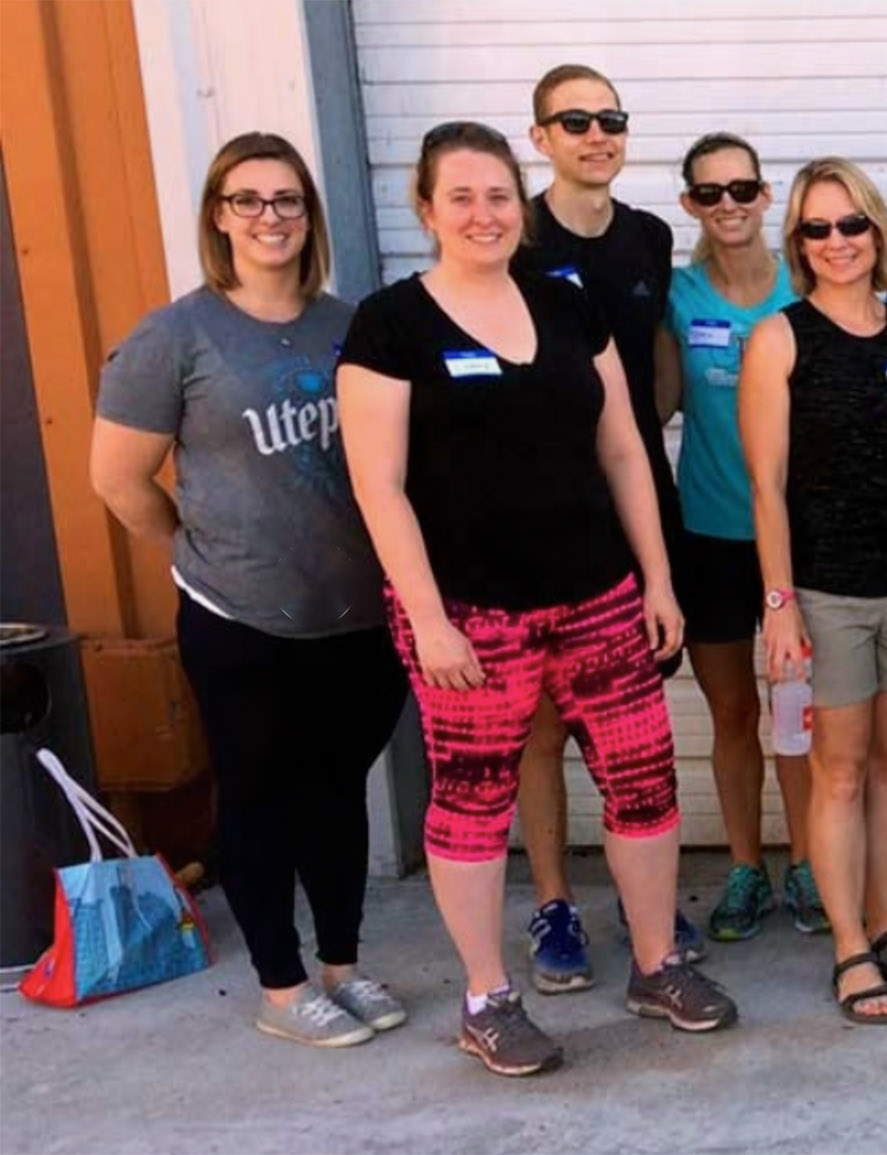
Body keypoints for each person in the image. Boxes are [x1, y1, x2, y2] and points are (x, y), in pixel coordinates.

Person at [339, 121, 734, 1077]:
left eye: (499, 196)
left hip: (598, 594)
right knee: (474, 801)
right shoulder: (392, 324)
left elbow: (625, 449)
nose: (485, 214)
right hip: (471, 613)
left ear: (522, 207)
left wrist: (658, 578)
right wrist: (427, 617)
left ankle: (654, 961)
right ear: (427, 209)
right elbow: (378, 485)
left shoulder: (566, 311)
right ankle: (487, 995)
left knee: (644, 785)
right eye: (462, 197)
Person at [90, 133, 410, 1049]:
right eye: (248, 200)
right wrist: (198, 552)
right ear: (218, 216)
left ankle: (343, 965)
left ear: (310, 216)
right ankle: (281, 985)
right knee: (260, 795)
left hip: (353, 612)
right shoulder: (176, 334)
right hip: (240, 617)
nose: (269, 217)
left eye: (287, 200)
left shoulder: (354, 324)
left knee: (338, 790)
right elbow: (118, 479)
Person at [743, 157, 887, 1024]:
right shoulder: (780, 338)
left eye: (852, 224)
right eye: (817, 228)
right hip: (824, 594)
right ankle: (849, 946)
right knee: (835, 772)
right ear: (798, 243)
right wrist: (779, 601)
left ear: (878, 229)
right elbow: (767, 487)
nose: (838, 242)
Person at [507, 64, 699, 988]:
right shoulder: (515, 236)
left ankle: (642, 895)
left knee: (633, 724)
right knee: (541, 724)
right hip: (539, 515)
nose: (596, 133)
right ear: (539, 137)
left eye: (611, 118)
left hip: (635, 502)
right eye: (573, 119)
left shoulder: (650, 238)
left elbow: (654, 370)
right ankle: (553, 903)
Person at [659, 131, 820, 941]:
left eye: (743, 189)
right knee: (731, 714)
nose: (729, 205)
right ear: (690, 203)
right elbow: (645, 403)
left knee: (795, 708)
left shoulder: (808, 281)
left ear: (765, 196)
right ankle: (747, 868)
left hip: (795, 540)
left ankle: (807, 866)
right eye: (711, 192)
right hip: (710, 535)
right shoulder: (676, 295)